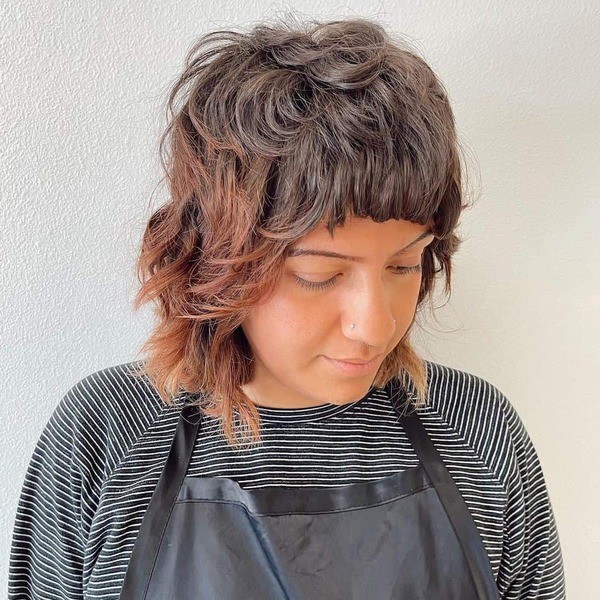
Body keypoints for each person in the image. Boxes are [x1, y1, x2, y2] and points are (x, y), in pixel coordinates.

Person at [8, 16, 565, 600]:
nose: (374, 325)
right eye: (318, 276)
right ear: (219, 263)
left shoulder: (477, 433)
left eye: (404, 266)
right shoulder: (109, 438)